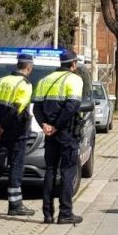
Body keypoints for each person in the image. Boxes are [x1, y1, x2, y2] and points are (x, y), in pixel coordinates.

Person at [33, 50, 84, 225]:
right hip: (66, 133)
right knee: (67, 172)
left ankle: (47, 214)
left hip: (50, 134)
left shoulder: (44, 80)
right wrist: (56, 126)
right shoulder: (75, 80)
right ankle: (65, 213)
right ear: (74, 64)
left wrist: (45, 125)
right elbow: (71, 107)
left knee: (50, 171)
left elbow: (36, 108)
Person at [0, 54, 35, 216]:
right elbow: (16, 110)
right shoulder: (25, 84)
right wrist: (3, 126)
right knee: (16, 166)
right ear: (28, 67)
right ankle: (15, 205)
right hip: (16, 132)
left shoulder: (1, 81)